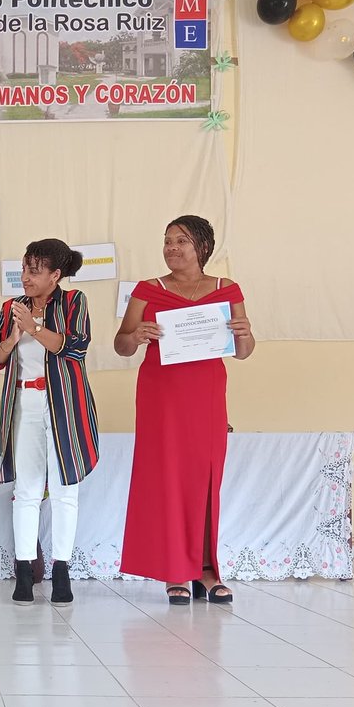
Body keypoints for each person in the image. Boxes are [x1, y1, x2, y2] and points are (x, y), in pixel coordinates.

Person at [115, 215, 255, 604]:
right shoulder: (147, 289)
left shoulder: (228, 289)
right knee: (167, 478)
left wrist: (246, 336)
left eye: (181, 241)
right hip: (161, 395)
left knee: (206, 477)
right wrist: (137, 336)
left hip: (207, 394)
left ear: (202, 248)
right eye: (167, 241)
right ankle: (175, 571)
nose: (172, 248)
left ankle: (207, 571)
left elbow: (243, 352)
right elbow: (121, 344)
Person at [0, 239, 98, 605]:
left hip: (63, 404)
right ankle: (23, 573)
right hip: (24, 404)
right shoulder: (10, 308)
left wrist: (33, 328)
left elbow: (74, 347)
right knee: (27, 490)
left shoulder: (74, 302)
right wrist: (14, 335)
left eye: (35, 269)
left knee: (65, 489)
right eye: (24, 268)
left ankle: (62, 571)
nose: (26, 276)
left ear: (55, 275)